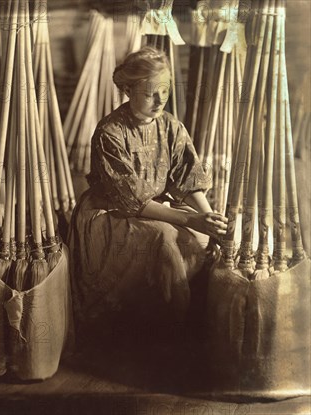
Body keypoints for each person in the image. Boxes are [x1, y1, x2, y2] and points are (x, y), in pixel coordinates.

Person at [68, 47, 228, 341]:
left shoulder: (170, 126)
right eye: (150, 93)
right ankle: (167, 332)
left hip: (155, 207)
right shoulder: (110, 132)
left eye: (164, 91)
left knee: (204, 238)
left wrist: (209, 219)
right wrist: (191, 221)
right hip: (110, 214)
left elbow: (187, 177)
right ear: (128, 89)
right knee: (164, 238)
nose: (159, 101)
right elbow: (132, 200)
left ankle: (194, 319)